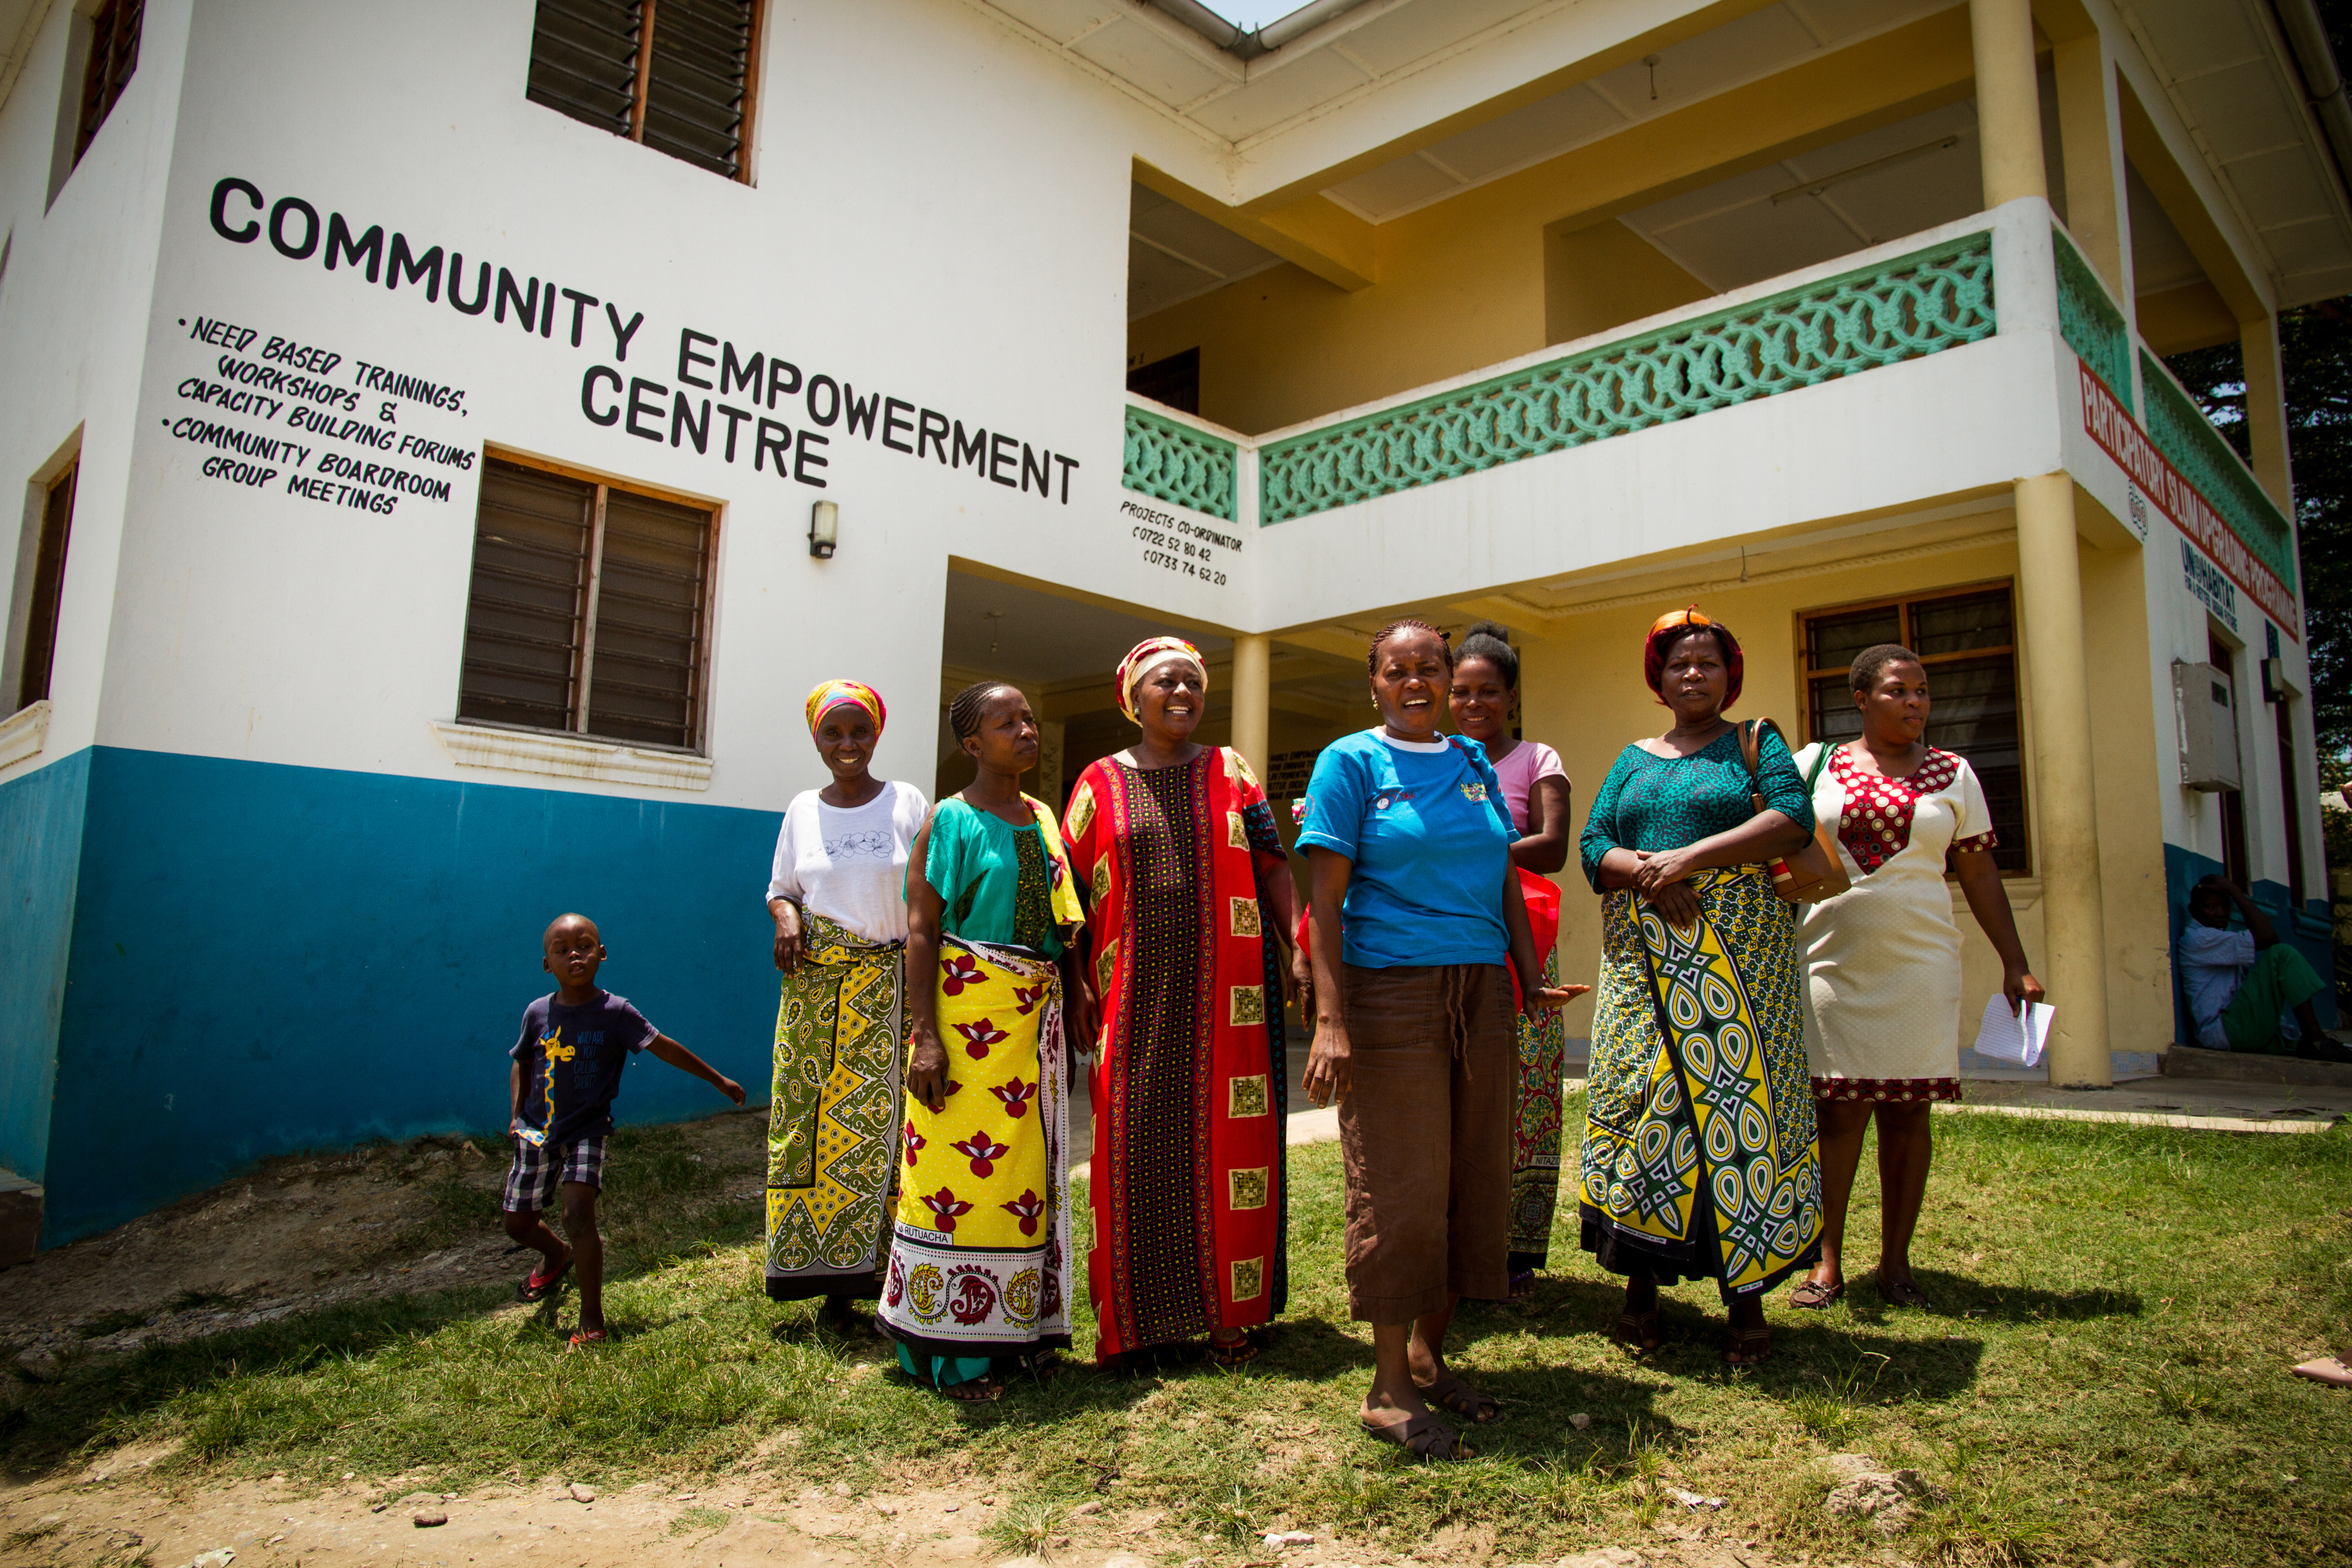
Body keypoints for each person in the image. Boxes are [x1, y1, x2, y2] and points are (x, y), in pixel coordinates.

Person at [1297, 619, 1583, 1461]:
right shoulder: (1349, 763)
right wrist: (1330, 1017)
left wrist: (1526, 977)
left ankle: (1428, 1354)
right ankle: (1385, 1387)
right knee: (1401, 1185)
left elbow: (1502, 868)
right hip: (1390, 995)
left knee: (1469, 1180)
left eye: (1431, 667)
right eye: (1398, 670)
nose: (1416, 681)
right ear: (1374, 681)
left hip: (1482, 990)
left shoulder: (1466, 762)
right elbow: (1324, 897)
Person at [1576, 607, 1819, 1366]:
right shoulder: (1631, 759)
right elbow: (1592, 846)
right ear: (1658, 676)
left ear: (1728, 673)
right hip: (1644, 974)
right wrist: (1648, 878)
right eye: (1677, 663)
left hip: (1742, 972)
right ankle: (1639, 1291)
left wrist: (1685, 860)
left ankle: (1743, 1301)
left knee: (1735, 1107)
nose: (1691, 674)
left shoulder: (1753, 743)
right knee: (1651, 1105)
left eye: (1706, 663)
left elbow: (1791, 818)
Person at [1064, 637, 1300, 1367]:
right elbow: (1065, 893)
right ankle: (1132, 1326)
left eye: (1193, 684)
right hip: (1132, 996)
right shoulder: (1097, 783)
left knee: (1235, 1142)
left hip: (1234, 994)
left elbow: (1271, 862)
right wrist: (1075, 980)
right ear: (1133, 696)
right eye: (1166, 683)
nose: (1182, 695)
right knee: (1130, 1142)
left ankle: (1230, 1317)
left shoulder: (1232, 771)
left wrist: (1297, 947)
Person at [1788, 645, 2043, 1312]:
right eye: (1900, 691)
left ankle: (1896, 1261)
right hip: (1830, 961)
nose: (1916, 703)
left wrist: (2015, 962)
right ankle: (1827, 1259)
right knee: (1837, 1112)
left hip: (1922, 963)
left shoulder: (1954, 773)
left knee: (1907, 1112)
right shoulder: (1817, 766)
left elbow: (1980, 872)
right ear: (1862, 700)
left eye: (1923, 691)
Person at [875, 682, 1086, 1401]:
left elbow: (1062, 922)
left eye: (1029, 719)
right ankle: (945, 1351)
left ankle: (1016, 1332)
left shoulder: (1044, 818)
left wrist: (1076, 995)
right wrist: (925, 1038)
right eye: (1007, 723)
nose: (1026, 731)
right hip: (965, 1027)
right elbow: (922, 931)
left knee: (1023, 1179)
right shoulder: (950, 821)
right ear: (972, 744)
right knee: (955, 1183)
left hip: (1029, 1030)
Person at [764, 680, 931, 1324]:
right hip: (818, 994)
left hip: (893, 991)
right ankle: (826, 1277)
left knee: (888, 1135)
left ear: (877, 735)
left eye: (859, 731)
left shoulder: (907, 802)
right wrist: (785, 918)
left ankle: (889, 1277)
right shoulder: (803, 809)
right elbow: (782, 887)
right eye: (833, 733)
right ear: (816, 740)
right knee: (808, 1132)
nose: (848, 744)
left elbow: (930, 891)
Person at [505, 913, 746, 1347]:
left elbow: (664, 1047)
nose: (574, 954)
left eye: (584, 945)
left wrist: (718, 1080)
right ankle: (555, 1253)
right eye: (562, 950)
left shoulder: (616, 1012)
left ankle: (592, 1319)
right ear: (547, 964)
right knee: (518, 1224)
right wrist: (517, 1115)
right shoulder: (536, 1013)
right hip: (536, 1132)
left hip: (587, 1130)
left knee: (578, 1214)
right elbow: (522, 1062)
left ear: (602, 954)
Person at [1448, 621, 1573, 1299]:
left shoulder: (1537, 760)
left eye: (1487, 691)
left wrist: (1460, 854)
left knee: (1525, 1098)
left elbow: (1552, 847)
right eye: (1461, 691)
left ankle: (1514, 1249)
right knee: (1454, 1094)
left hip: (1524, 950)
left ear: (1510, 695)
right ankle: (1455, 1239)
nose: (1473, 704)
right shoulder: (1433, 759)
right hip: (1446, 946)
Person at [2180, 876, 2339, 1059]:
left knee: (2294, 1044)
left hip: (2235, 1028)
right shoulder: (2198, 939)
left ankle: (2314, 1042)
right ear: (2193, 910)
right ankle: (2316, 1039)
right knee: (2281, 955)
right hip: (2225, 1031)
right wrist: (2235, 892)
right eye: (2211, 906)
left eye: (2226, 906)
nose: (2221, 913)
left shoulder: (2217, 938)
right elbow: (2268, 936)